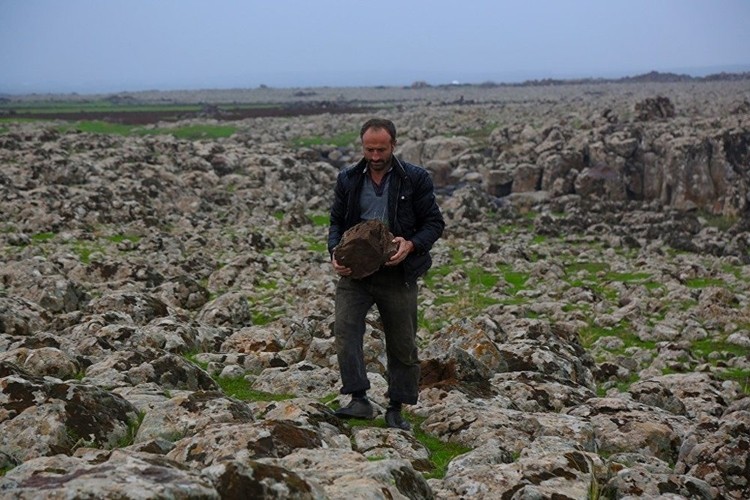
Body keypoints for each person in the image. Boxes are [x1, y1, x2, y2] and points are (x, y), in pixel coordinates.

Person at [327, 118, 445, 430]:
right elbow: (336, 223)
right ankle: (358, 399)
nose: (376, 156)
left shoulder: (415, 179)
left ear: (393, 145)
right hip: (355, 271)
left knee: (403, 342)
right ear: (362, 146)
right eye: (369, 149)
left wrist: (412, 245)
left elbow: (434, 223)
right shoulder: (348, 179)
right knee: (345, 332)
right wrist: (334, 254)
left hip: (398, 272)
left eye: (381, 149)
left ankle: (397, 407)